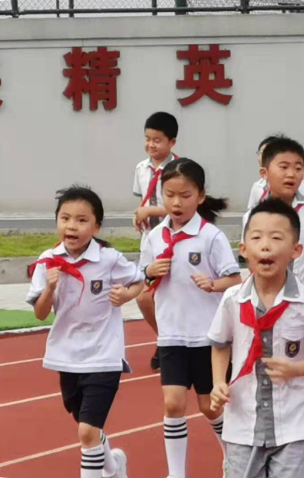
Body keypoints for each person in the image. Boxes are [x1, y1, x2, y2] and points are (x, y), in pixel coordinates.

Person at [209, 198, 304, 478]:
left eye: (276, 238)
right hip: (243, 418)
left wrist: (296, 369)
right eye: (257, 238)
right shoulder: (233, 299)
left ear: (296, 250)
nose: (266, 246)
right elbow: (220, 344)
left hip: (294, 419)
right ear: (243, 249)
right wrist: (219, 381)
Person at [27, 186, 145, 479]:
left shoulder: (109, 259)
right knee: (87, 427)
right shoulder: (48, 261)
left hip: (104, 355)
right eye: (65, 218)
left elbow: (139, 281)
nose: (72, 226)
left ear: (96, 227)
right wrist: (50, 288)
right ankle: (114, 467)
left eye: (81, 220)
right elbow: (40, 313)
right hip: (67, 356)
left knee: (87, 431)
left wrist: (125, 296)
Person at [141, 159, 242, 478]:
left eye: (185, 195)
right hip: (171, 334)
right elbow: (141, 278)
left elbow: (235, 279)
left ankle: (233, 458)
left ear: (199, 196)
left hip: (206, 336)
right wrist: (149, 271)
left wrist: (213, 284)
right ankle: (176, 473)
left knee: (209, 407)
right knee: (173, 404)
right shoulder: (154, 237)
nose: (176, 202)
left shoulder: (210, 237)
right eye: (169, 195)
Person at [242, 137, 304, 296]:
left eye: (298, 168)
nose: (291, 174)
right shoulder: (254, 216)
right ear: (264, 173)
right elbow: (251, 259)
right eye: (283, 167)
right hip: (274, 299)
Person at [133, 112, 179, 371]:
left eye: (157, 140)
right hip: (148, 239)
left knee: (170, 294)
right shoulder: (141, 168)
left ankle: (174, 342)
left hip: (173, 239)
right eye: (147, 139)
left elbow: (182, 207)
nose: (151, 145)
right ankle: (165, 339)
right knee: (143, 296)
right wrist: (139, 215)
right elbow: (143, 200)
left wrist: (151, 211)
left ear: (172, 142)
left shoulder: (179, 170)